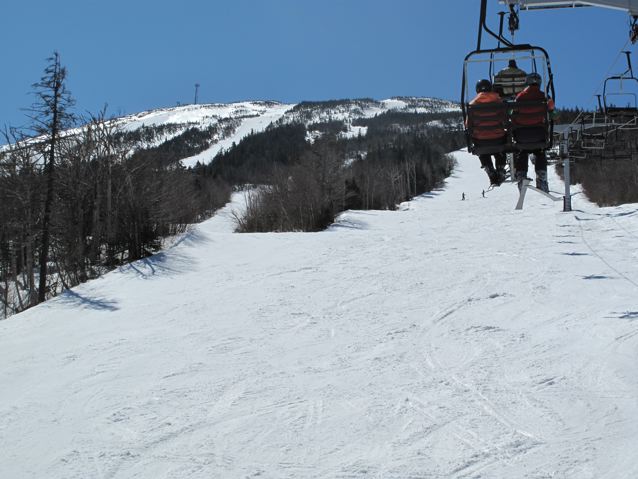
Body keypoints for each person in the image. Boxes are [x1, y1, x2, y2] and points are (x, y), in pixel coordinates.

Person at [512, 72, 555, 192]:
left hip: (522, 135)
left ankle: (521, 176)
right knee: (540, 151)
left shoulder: (520, 97)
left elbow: (513, 113)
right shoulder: (545, 96)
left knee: (522, 151)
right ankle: (541, 178)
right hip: (539, 134)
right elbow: (552, 112)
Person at [467, 79, 507, 186]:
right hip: (498, 139)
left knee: (482, 150)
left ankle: (489, 168)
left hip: (481, 141)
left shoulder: (472, 105)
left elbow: (468, 124)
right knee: (501, 149)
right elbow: (505, 119)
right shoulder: (498, 102)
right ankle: (500, 167)